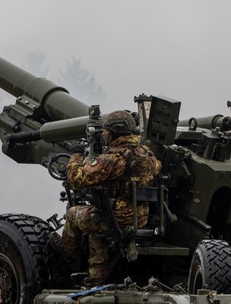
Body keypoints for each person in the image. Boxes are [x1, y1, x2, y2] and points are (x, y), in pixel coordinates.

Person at [58, 110, 161, 285]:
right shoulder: (148, 155)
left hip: (116, 219)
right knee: (96, 226)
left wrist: (75, 155)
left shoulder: (115, 159)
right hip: (140, 218)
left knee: (74, 214)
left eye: (105, 130)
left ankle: (67, 261)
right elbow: (156, 169)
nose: (103, 133)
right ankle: (97, 276)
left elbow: (77, 178)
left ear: (115, 132)